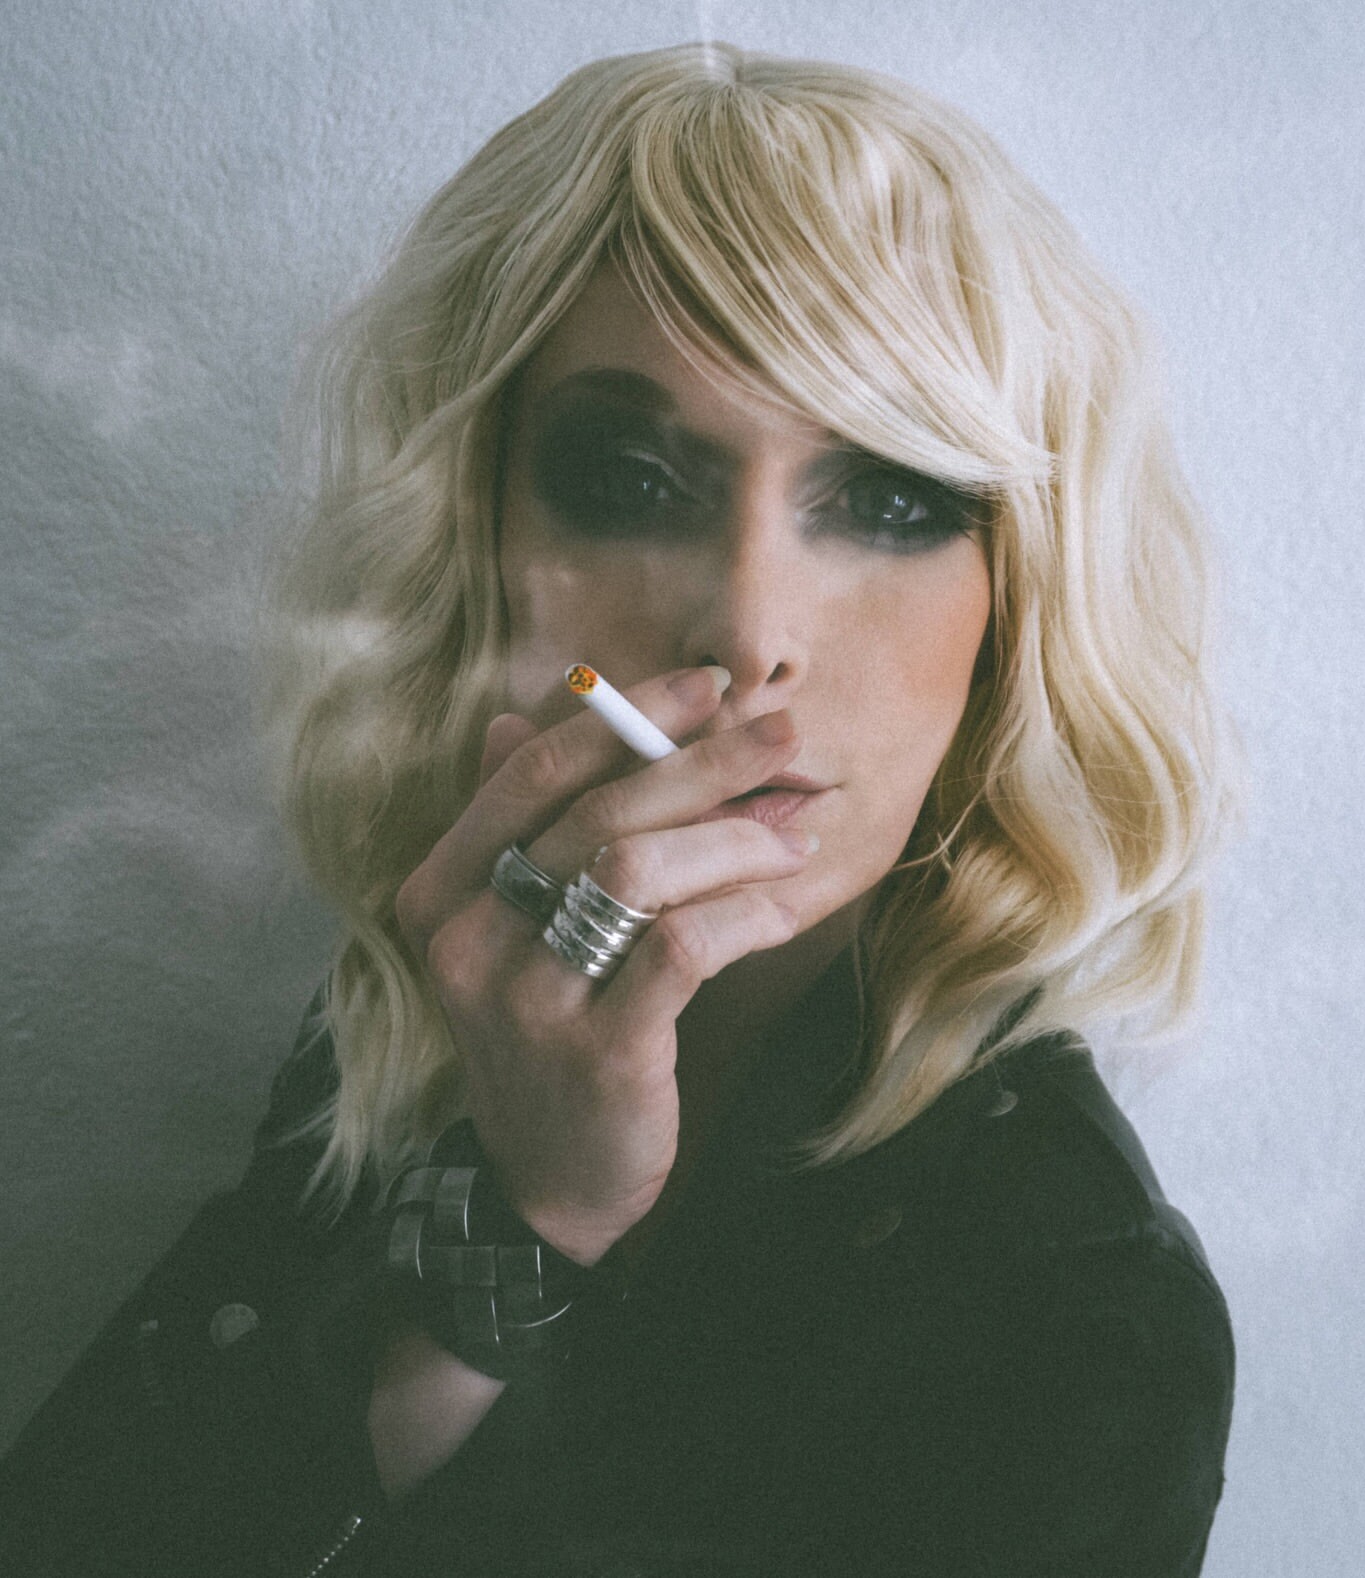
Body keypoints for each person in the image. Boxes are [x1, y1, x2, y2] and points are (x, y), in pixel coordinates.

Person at [0, 40, 1239, 1578]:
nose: (750, 629)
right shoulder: (423, 1008)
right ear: (482, 544)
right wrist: (517, 1217)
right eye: (635, 478)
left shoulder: (1071, 1311)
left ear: (1018, 601)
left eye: (889, 496)